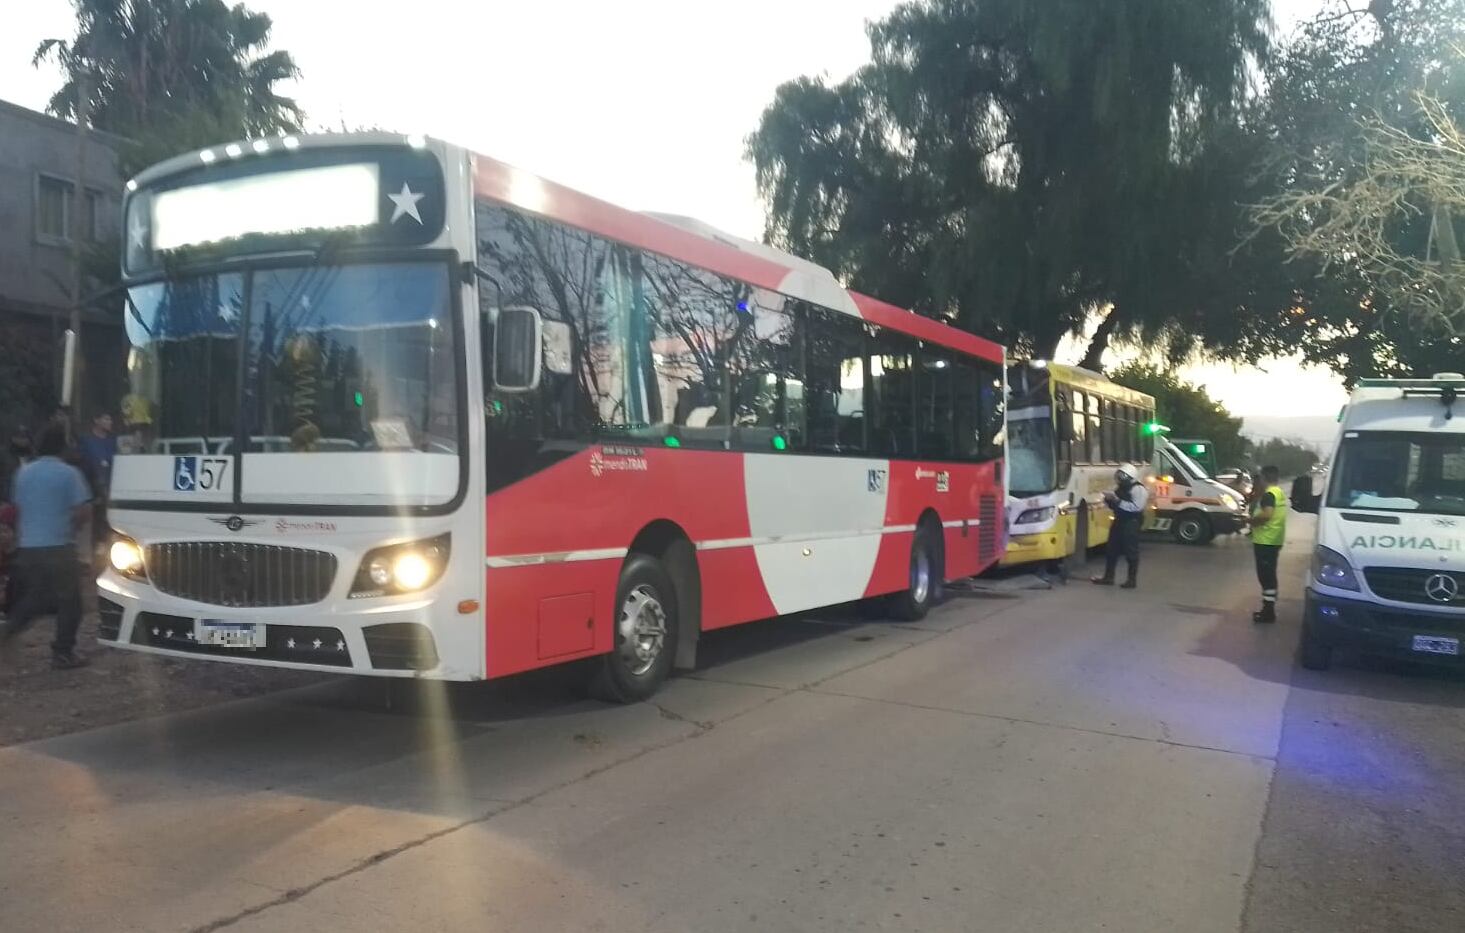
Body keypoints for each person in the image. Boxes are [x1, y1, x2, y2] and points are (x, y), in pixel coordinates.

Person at [0, 424, 92, 669]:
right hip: (59, 547)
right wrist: (73, 526)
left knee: (35, 599)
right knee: (71, 602)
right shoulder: (70, 474)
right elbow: (84, 511)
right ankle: (63, 653)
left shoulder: (24, 473)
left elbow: (16, 506)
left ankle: (7, 630)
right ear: (63, 446)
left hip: (28, 548)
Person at [1092, 464, 1149, 589]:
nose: (1119, 479)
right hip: (1119, 521)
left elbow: (1136, 507)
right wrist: (1109, 500)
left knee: (1131, 551)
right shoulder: (1121, 488)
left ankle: (1131, 580)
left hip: (1131, 523)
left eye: (1122, 476)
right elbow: (1116, 505)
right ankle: (1108, 577)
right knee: (1111, 549)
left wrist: (1118, 501)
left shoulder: (1139, 490)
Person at [1249, 465, 1288, 624]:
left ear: (1264, 477)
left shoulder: (1269, 495)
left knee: (1266, 576)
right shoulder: (1279, 493)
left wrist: (1250, 521)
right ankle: (1268, 608)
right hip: (1274, 540)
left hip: (1265, 540)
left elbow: (1267, 514)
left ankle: (1268, 611)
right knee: (1269, 575)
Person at [77, 412, 118, 548]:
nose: (110, 422)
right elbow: (84, 466)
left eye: (110, 419)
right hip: (93, 492)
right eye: (106, 418)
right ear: (96, 420)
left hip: (111, 490)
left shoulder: (113, 442)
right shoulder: (87, 441)